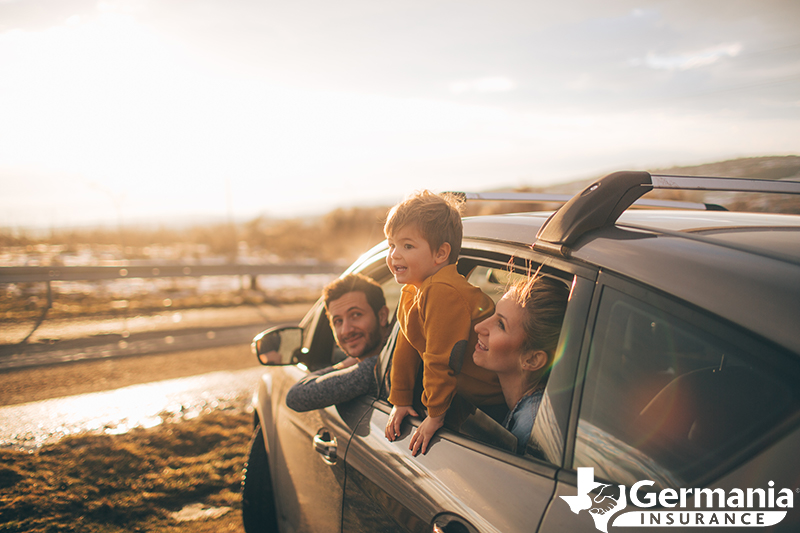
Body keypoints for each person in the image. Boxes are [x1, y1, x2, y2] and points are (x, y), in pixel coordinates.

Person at [383, 190, 504, 456]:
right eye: (391, 245)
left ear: (440, 253)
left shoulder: (442, 291)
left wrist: (435, 415)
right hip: (469, 397)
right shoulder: (414, 290)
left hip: (494, 401)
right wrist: (401, 399)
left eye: (407, 246)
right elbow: (406, 347)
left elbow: (440, 358)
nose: (394, 255)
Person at [472, 274, 569, 452]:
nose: (479, 327)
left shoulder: (530, 429)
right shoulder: (531, 410)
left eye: (500, 324)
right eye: (493, 313)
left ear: (532, 360)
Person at [285, 273, 392, 412]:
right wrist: (352, 362)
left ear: (382, 316)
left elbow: (296, 397)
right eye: (338, 321)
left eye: (356, 315)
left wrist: (346, 364)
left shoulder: (377, 369)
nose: (346, 330)